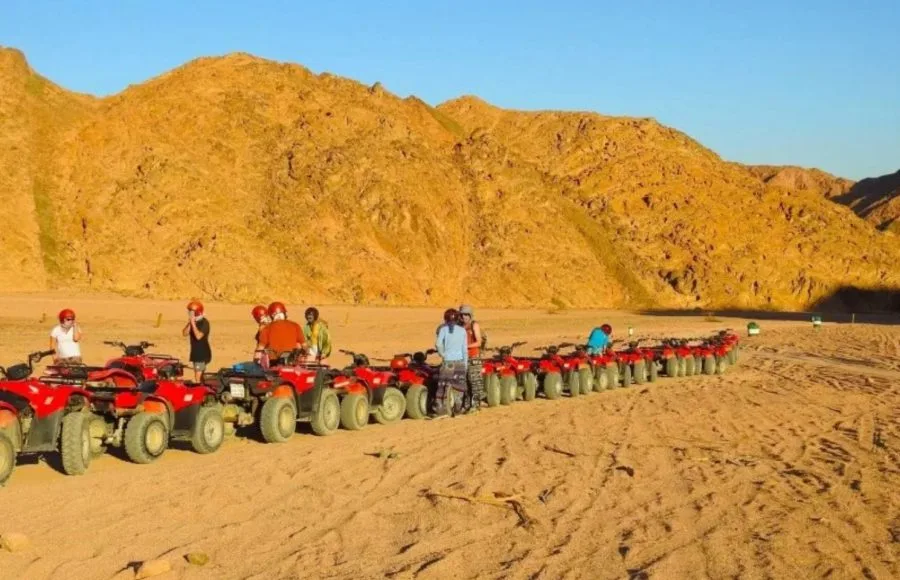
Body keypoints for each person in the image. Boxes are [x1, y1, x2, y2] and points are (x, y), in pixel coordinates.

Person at [433, 308, 468, 417]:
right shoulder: (462, 331)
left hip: (448, 362)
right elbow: (464, 349)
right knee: (459, 387)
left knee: (442, 386)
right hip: (460, 362)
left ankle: (441, 410)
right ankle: (457, 410)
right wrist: (465, 364)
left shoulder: (443, 330)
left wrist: (443, 355)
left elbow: (438, 344)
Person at [458, 304, 485, 414]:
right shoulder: (459, 326)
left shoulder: (474, 325)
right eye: (462, 314)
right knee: (464, 382)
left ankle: (476, 405)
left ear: (470, 315)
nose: (464, 317)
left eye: (466, 314)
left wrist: (465, 346)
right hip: (462, 358)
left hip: (473, 357)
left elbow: (479, 342)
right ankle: (467, 404)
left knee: (474, 381)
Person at [182, 300, 211, 382]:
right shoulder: (193, 322)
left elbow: (198, 336)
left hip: (202, 353)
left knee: (198, 377)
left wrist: (193, 323)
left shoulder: (204, 323)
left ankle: (201, 391)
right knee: (200, 375)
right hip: (195, 353)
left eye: (191, 312)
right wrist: (190, 323)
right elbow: (184, 333)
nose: (190, 314)